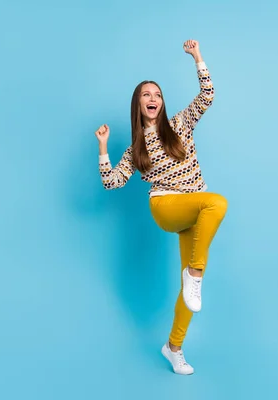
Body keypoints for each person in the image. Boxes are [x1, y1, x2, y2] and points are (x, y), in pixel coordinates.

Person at [94, 39, 228, 375]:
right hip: (166, 207)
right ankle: (193, 273)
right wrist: (103, 147)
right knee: (218, 202)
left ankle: (174, 347)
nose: (153, 98)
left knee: (190, 298)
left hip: (192, 208)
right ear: (138, 105)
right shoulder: (135, 149)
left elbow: (207, 96)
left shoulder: (180, 124)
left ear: (163, 102)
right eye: (146, 95)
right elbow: (112, 182)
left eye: (157, 94)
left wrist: (198, 58)